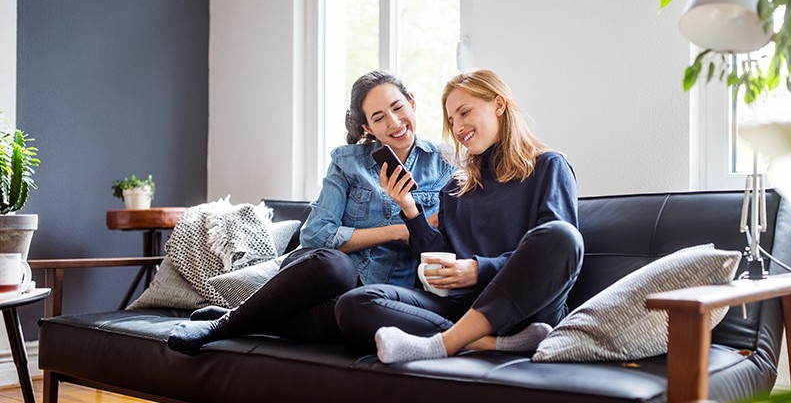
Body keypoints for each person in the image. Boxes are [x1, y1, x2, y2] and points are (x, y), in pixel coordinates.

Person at [167, 70, 455, 353]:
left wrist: (410, 216)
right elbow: (316, 235)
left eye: (398, 107)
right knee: (337, 266)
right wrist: (401, 230)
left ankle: (250, 316)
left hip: (376, 292)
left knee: (351, 313)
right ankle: (225, 325)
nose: (394, 122)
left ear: (412, 102)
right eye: (379, 117)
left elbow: (434, 247)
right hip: (318, 275)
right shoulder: (346, 162)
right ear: (367, 127)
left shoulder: (446, 165)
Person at [334, 69, 584, 363]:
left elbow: (555, 254)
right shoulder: (456, 185)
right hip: (464, 305)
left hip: (526, 308)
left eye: (465, 112)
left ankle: (446, 342)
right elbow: (443, 256)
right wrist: (409, 208)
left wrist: (478, 270)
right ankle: (485, 343)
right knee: (355, 303)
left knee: (562, 236)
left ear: (499, 105)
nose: (458, 127)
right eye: (452, 121)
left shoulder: (548, 166)